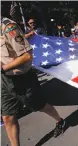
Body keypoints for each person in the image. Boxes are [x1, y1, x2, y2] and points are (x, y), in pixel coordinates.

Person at [1, 17, 66, 146]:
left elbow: (27, 55)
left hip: (22, 78)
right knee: (7, 116)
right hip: (4, 79)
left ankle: (59, 120)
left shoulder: (8, 27)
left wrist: (3, 68)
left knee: (39, 105)